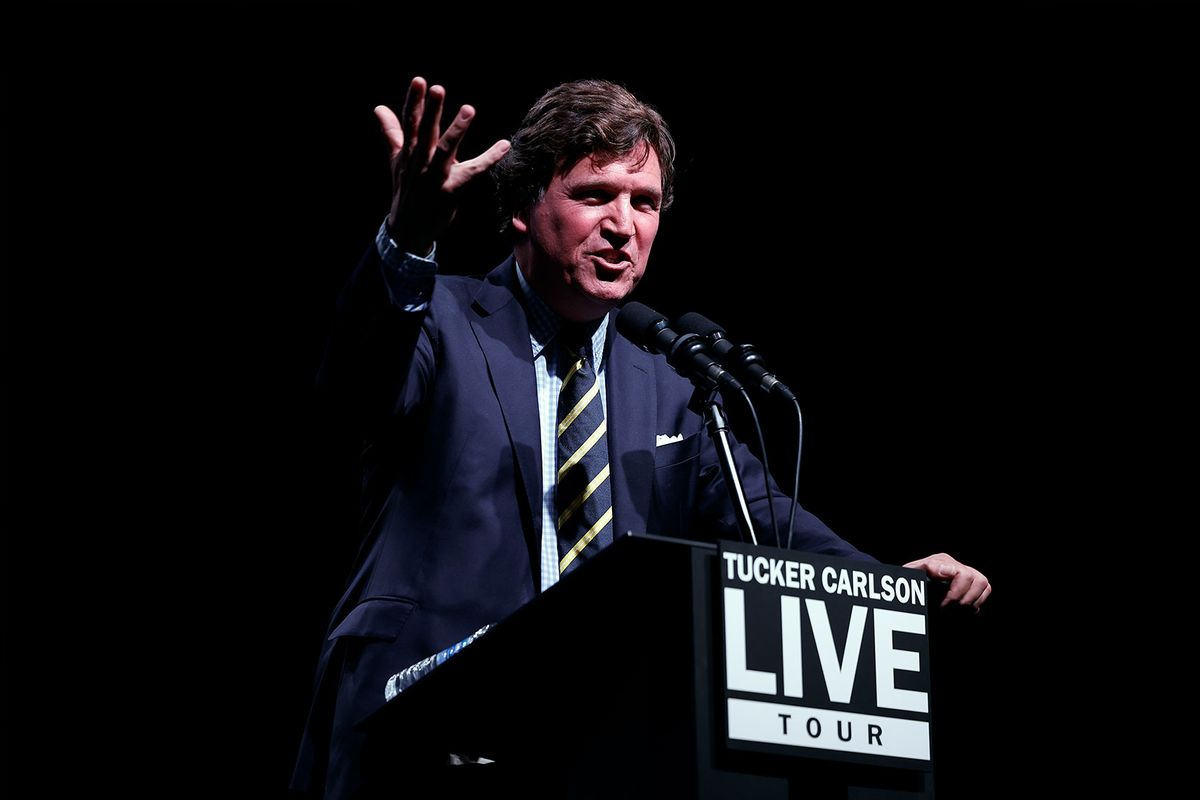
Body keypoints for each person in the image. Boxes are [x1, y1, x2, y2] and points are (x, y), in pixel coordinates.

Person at [291, 76, 991, 799]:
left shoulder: (674, 387)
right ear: (524, 208)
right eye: (595, 195)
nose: (623, 224)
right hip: (420, 730)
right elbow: (352, 388)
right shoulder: (437, 317)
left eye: (644, 202)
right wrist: (410, 237)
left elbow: (769, 524)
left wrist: (886, 585)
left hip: (593, 745)